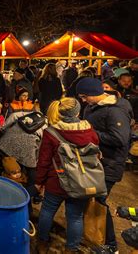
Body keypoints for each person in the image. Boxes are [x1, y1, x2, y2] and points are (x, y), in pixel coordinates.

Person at [35, 97, 99, 253]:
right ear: (78, 111)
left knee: (47, 211)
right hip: (80, 182)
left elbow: (44, 160)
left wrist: (39, 182)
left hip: (56, 180)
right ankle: (71, 248)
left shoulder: (51, 132)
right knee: (75, 217)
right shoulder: (89, 131)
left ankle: (42, 243)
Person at [76, 77, 132, 253]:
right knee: (93, 200)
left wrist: (90, 133)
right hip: (97, 162)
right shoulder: (94, 106)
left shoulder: (115, 111)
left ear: (94, 93)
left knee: (100, 202)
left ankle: (110, 244)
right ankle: (96, 236)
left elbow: (120, 138)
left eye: (85, 97)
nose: (83, 101)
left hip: (109, 165)